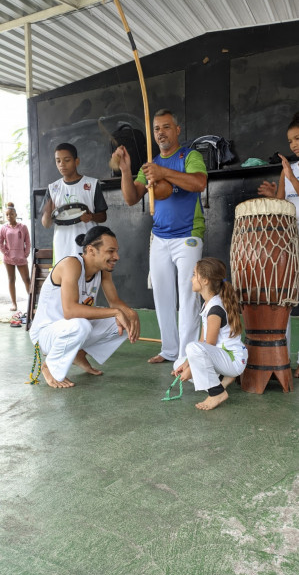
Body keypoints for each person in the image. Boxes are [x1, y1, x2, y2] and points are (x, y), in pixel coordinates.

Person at [111, 109, 208, 364]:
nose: (161, 132)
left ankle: (187, 357)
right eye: (156, 129)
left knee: (188, 295)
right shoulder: (150, 164)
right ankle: (169, 350)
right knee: (162, 296)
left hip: (188, 235)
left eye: (166, 127)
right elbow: (132, 198)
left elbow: (199, 183)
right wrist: (126, 170)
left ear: (177, 130)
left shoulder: (190, 155)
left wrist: (163, 173)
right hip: (160, 238)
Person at [29, 225, 140, 388]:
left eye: (116, 251)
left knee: (125, 323)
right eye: (111, 251)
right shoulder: (71, 264)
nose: (116, 256)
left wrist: (131, 314)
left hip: (71, 328)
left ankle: (78, 355)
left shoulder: (103, 270)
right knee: (81, 325)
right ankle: (49, 366)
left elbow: (115, 302)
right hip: (46, 332)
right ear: (91, 250)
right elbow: (70, 311)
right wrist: (116, 312)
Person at [173, 258, 248, 410]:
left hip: (232, 360)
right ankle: (224, 379)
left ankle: (217, 393)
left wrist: (192, 369)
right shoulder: (208, 304)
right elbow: (202, 340)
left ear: (205, 280)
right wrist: (187, 364)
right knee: (178, 363)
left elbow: (207, 345)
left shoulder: (215, 309)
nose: (191, 278)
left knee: (192, 348)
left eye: (194, 275)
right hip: (221, 357)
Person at [257, 111, 299, 378]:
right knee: (284, 299)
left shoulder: (290, 171)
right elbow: (282, 208)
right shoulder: (288, 169)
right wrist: (276, 192)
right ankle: (279, 357)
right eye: (291, 140)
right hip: (290, 242)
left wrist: (291, 177)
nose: (294, 144)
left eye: (298, 138)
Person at [41, 143, 108, 263]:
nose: (62, 164)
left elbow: (103, 216)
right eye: (58, 161)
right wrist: (47, 213)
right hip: (62, 245)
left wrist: (91, 216)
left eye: (66, 160)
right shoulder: (53, 188)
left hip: (87, 243)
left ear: (76, 161)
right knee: (65, 280)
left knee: (88, 278)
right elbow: (46, 224)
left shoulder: (91, 185)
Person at [0, 203, 31, 311]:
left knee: (27, 280)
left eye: (11, 214)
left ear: (15, 214)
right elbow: (0, 242)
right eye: (7, 215)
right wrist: (6, 252)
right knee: (11, 279)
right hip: (8, 259)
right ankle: (14, 304)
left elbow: (27, 241)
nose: (9, 216)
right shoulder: (3, 228)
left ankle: (31, 302)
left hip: (21, 257)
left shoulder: (23, 227)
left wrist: (26, 253)